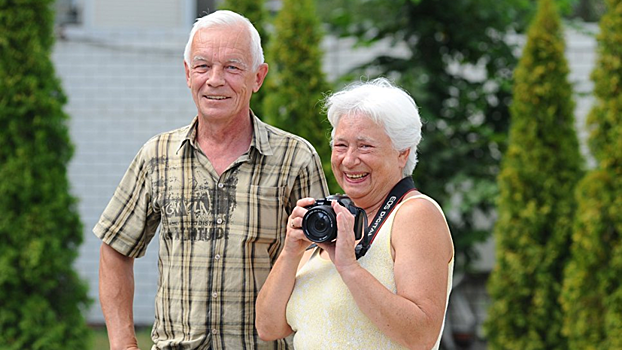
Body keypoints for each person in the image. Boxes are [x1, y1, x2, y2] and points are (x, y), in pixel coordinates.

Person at [94, 10, 328, 350]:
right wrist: (122, 342)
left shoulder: (296, 158)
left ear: (258, 77)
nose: (215, 80)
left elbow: (321, 263)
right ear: (188, 74)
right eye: (203, 66)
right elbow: (115, 249)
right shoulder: (156, 155)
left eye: (232, 67)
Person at [255, 78, 454, 349]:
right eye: (340, 145)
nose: (349, 160)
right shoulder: (331, 219)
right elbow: (268, 327)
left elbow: (420, 335)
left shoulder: (414, 214)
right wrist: (292, 251)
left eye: (365, 146)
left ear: (401, 153)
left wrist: (349, 267)